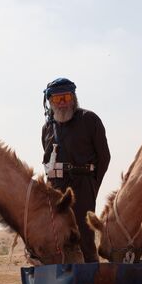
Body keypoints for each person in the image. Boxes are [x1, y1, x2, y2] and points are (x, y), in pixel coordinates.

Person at [41, 77, 110, 262]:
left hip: (82, 186)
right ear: (49, 102)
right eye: (57, 99)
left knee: (84, 237)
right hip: (56, 189)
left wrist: (92, 186)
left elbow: (104, 157)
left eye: (66, 97)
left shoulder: (89, 120)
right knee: (58, 238)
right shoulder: (47, 128)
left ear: (74, 98)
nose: (62, 103)